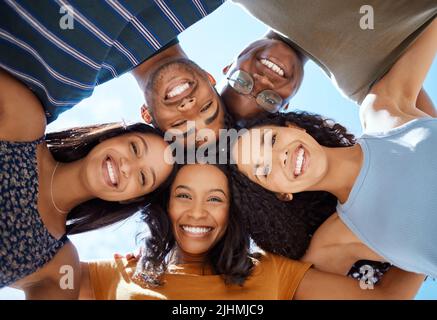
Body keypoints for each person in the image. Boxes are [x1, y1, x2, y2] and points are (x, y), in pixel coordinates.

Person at [230, 19, 437, 278]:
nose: (279, 156)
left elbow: (428, 18)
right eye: (264, 169)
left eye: (271, 140)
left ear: (294, 127)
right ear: (281, 194)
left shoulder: (383, 109)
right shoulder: (336, 240)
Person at [79, 164, 424, 300]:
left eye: (215, 199)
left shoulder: (271, 269)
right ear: (165, 207)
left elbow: (385, 298)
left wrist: (429, 227)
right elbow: (36, 270)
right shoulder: (118, 273)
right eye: (183, 195)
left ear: (232, 213)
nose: (197, 212)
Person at [0, 68, 175, 298]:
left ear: (130, 198)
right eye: (134, 148)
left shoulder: (61, 266)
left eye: (142, 177)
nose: (126, 167)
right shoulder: (25, 119)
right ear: (110, 136)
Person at [0, 0, 226, 145]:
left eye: (179, 126)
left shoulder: (60, 87)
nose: (188, 108)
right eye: (206, 108)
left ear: (147, 115)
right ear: (210, 78)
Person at [222, 0, 437, 121]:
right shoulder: (361, 83)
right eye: (268, 100)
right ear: (286, 104)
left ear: (228, 67)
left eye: (241, 82)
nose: (262, 82)